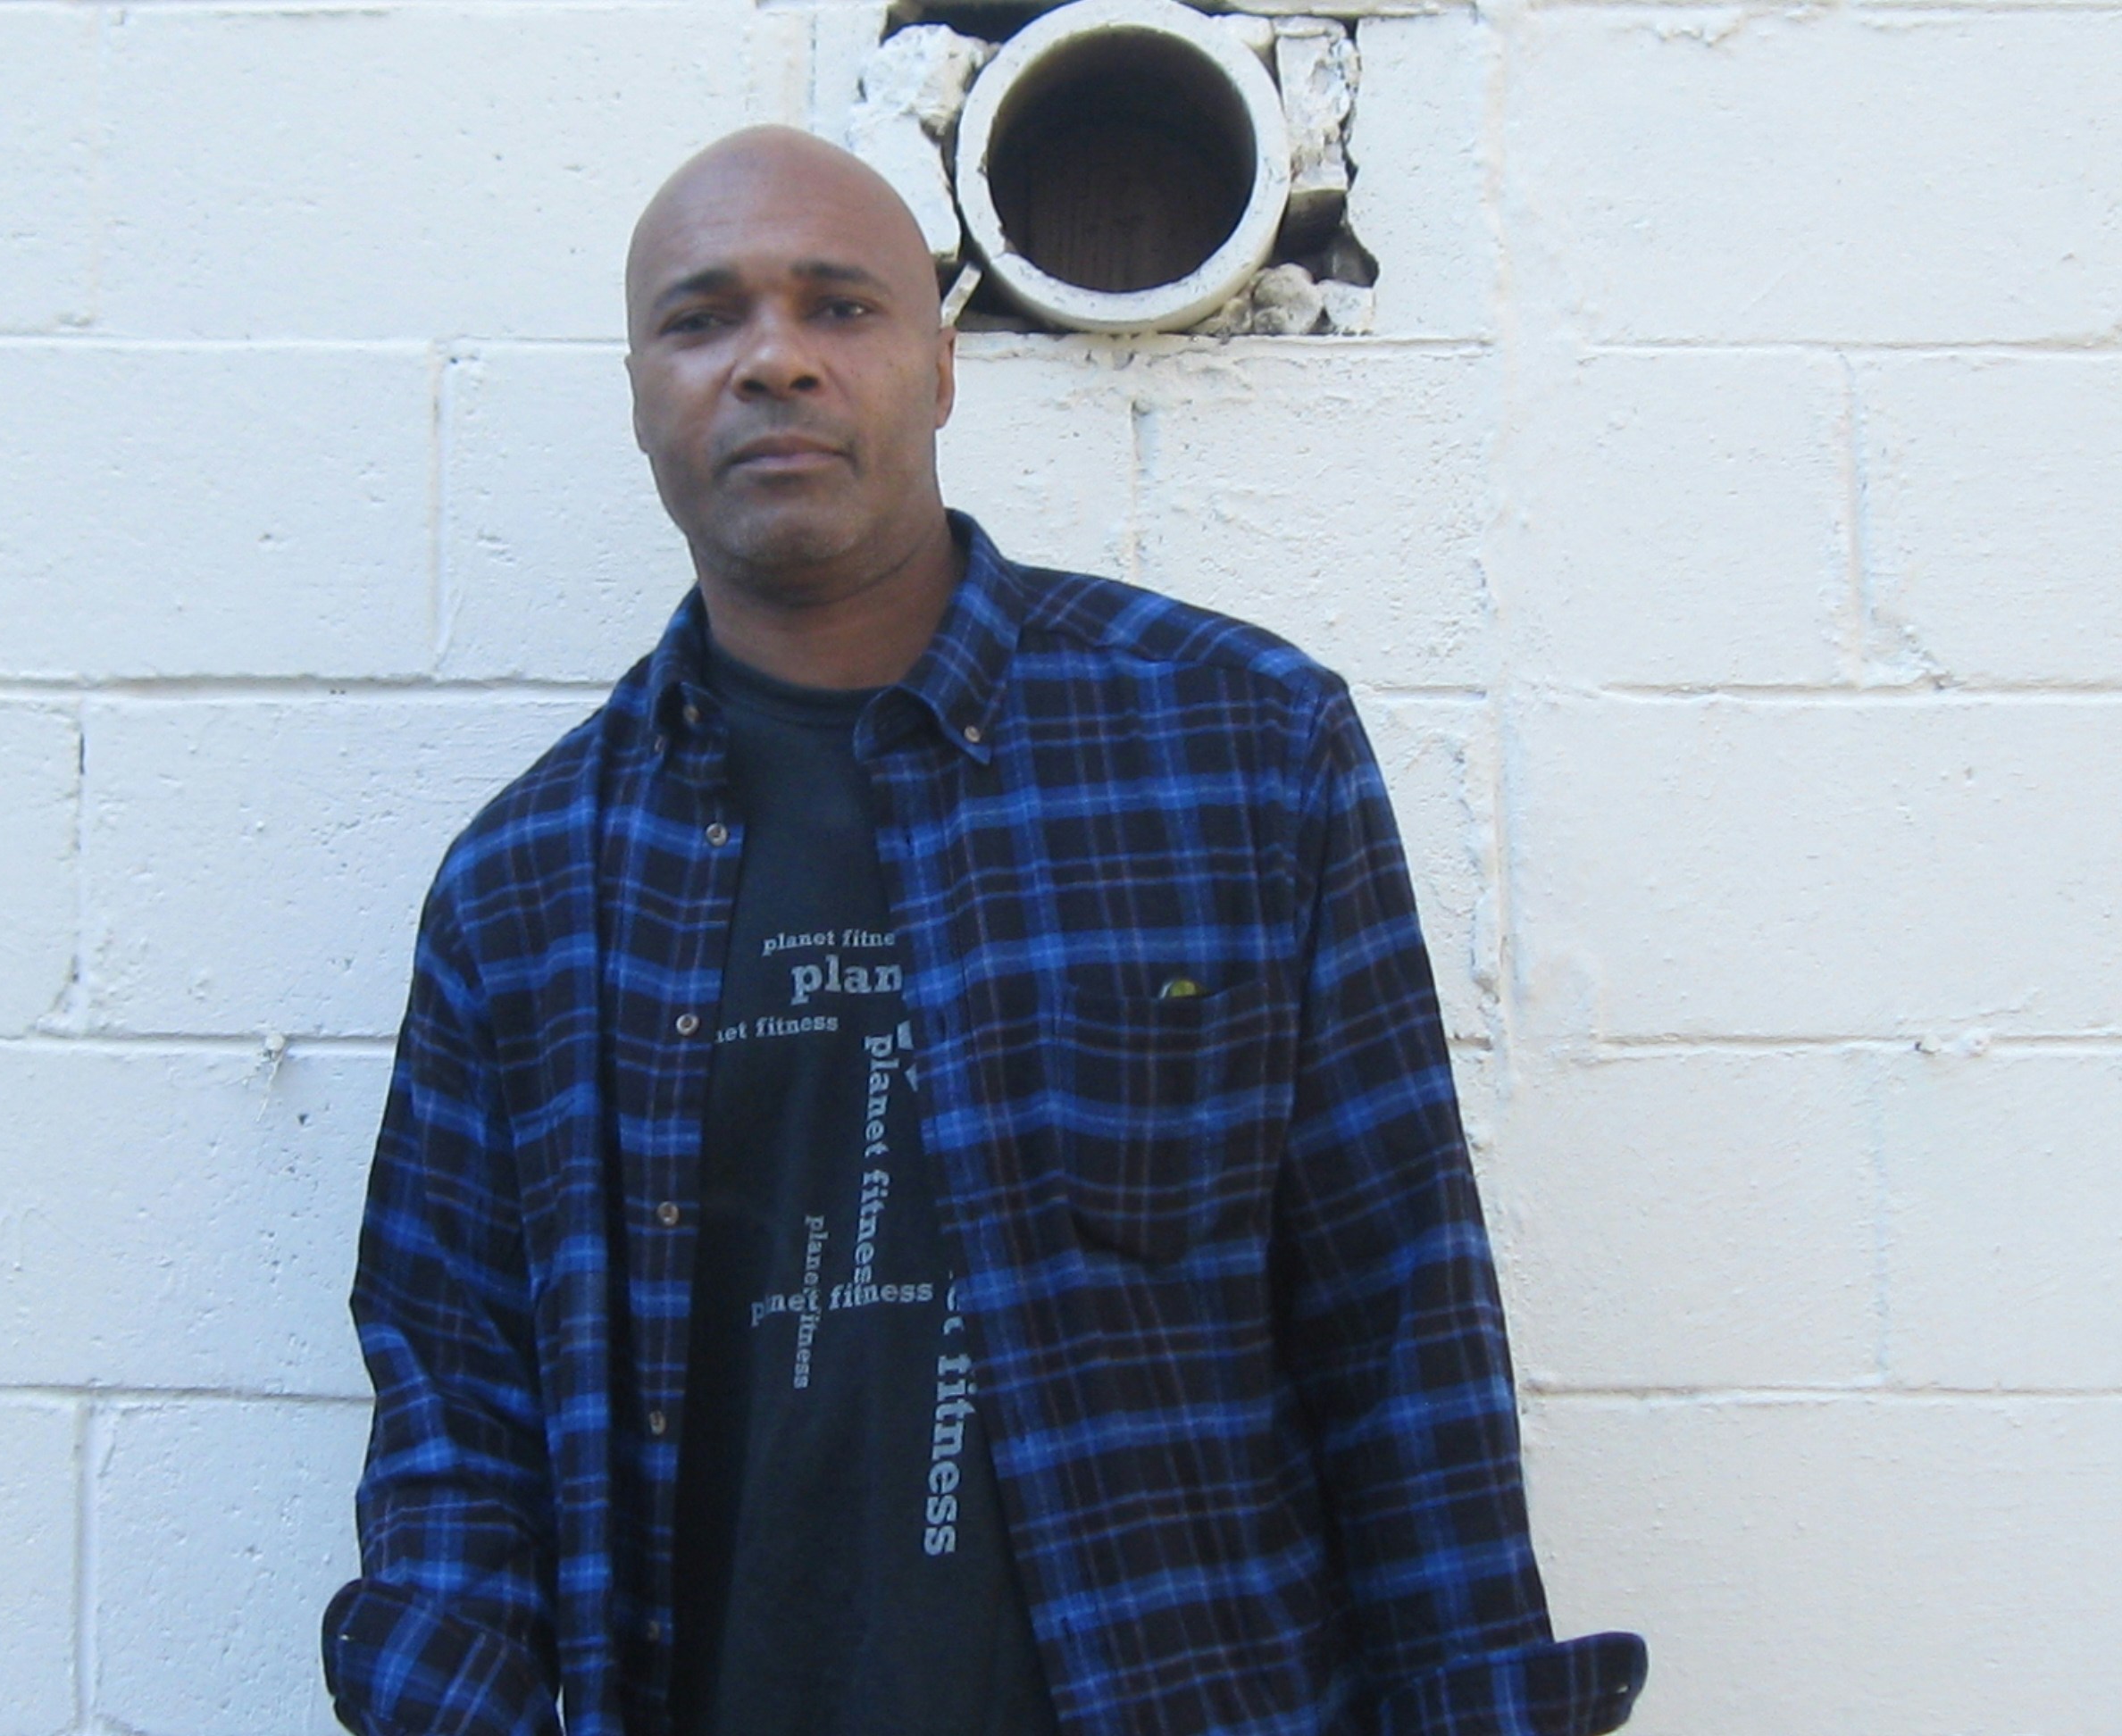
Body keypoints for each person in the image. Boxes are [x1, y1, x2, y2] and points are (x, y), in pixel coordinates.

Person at [322, 125, 1644, 1736]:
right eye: (702, 318)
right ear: (640, 397)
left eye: (839, 306)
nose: (774, 361)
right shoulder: (524, 886)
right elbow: (457, 1404)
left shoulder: (1238, 751)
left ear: (943, 368)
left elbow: (1401, 1324)